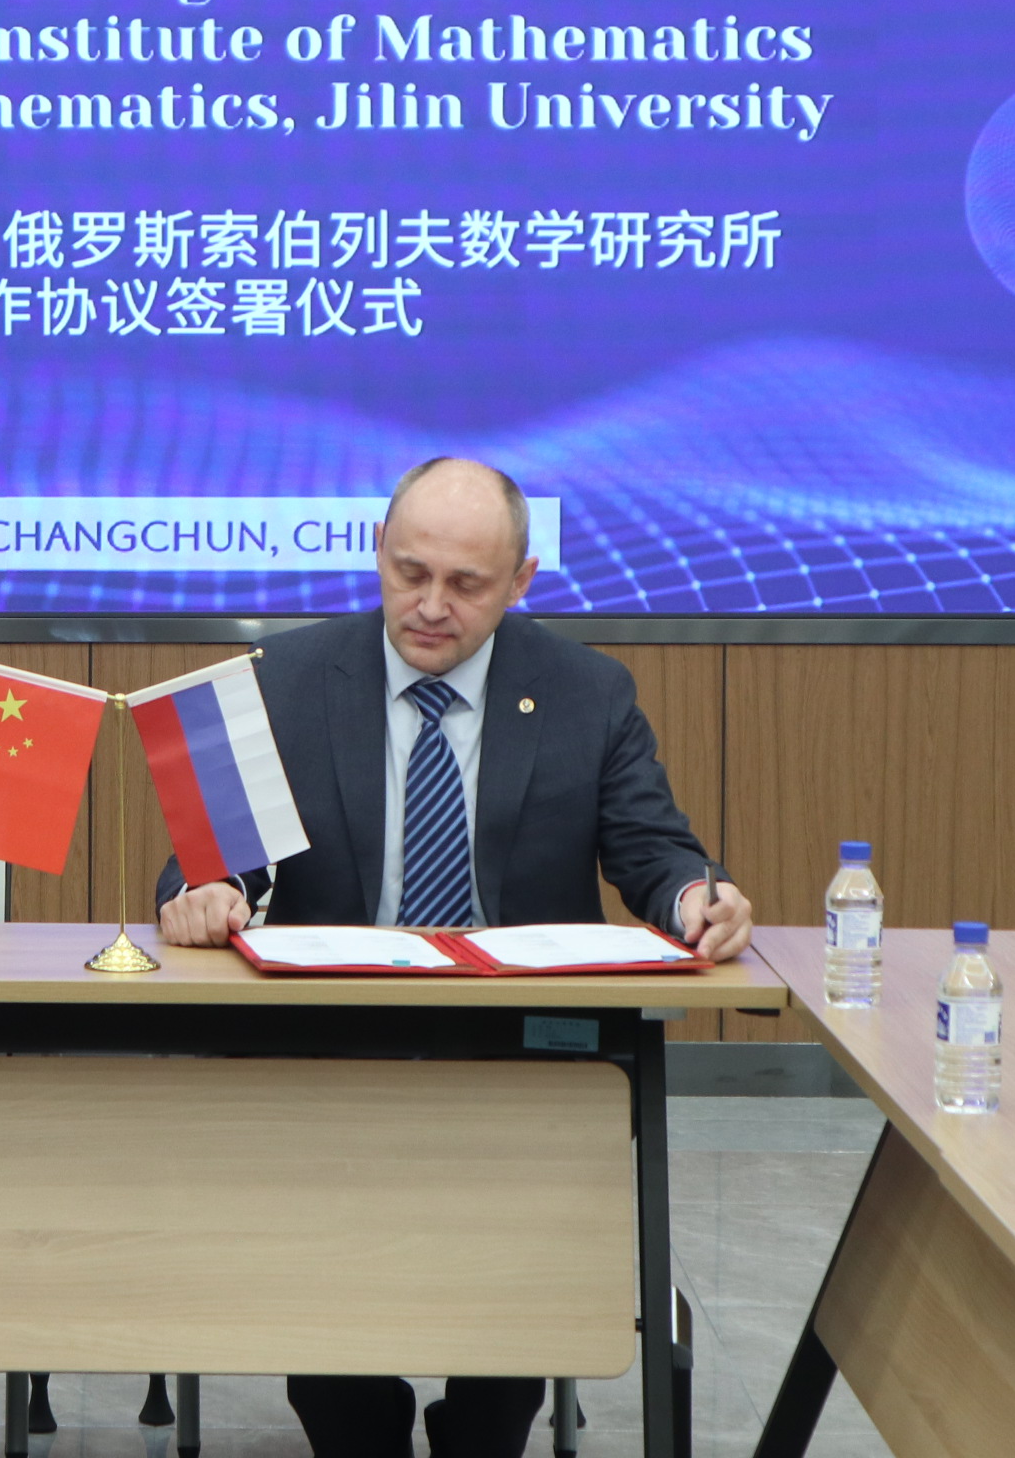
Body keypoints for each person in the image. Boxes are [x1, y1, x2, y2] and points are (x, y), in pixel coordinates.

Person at [156, 455, 752, 1458]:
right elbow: (209, 854)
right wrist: (207, 891)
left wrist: (699, 896)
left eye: (466, 584)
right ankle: (358, 1428)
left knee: (524, 1248)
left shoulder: (586, 691)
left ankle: (486, 1427)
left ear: (521, 580)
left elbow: (653, 849)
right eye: (409, 572)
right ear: (376, 554)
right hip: (331, 1044)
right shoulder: (286, 679)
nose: (430, 606)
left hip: (524, 1050)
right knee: (322, 1246)